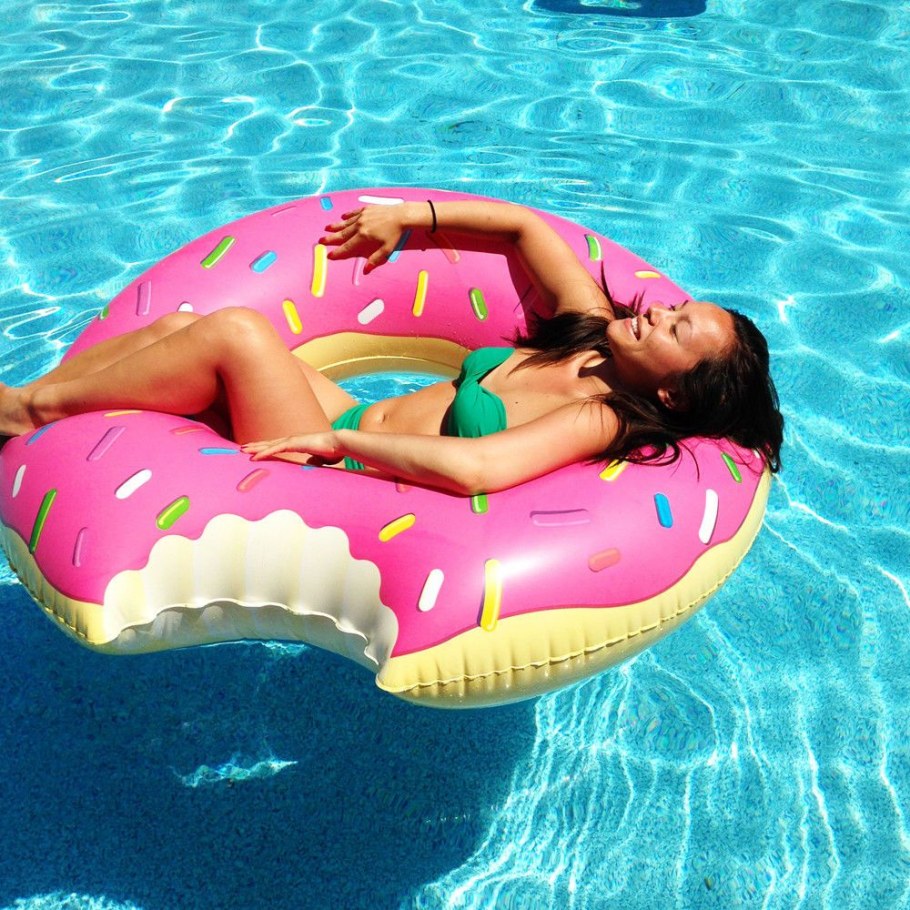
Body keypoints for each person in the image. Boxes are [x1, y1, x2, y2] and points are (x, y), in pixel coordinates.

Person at [0, 200, 783, 494]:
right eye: (677, 306)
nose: (659, 311)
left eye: (677, 328)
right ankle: (37, 419)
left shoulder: (601, 414)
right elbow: (525, 229)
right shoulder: (588, 332)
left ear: (674, 392)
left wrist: (339, 442)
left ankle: (24, 414)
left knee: (236, 332)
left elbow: (481, 468)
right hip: (341, 418)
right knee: (182, 331)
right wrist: (412, 217)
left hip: (336, 470)